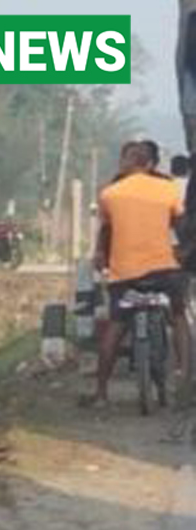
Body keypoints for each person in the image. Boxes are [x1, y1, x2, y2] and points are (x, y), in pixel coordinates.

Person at [88, 140, 188, 406]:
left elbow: (107, 229)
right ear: (150, 164)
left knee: (115, 326)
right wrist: (183, 253)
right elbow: (180, 223)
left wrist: (100, 255)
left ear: (126, 163)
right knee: (178, 316)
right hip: (164, 270)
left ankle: (100, 393)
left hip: (125, 274)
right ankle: (184, 374)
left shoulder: (109, 192)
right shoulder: (168, 188)